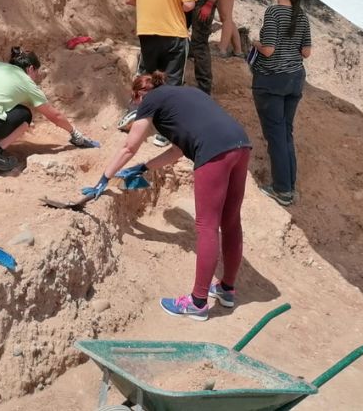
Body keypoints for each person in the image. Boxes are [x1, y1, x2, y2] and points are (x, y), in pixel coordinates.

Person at [81, 72, 252, 321]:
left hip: (213, 151)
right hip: (240, 143)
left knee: (207, 226)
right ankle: (226, 289)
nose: (138, 107)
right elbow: (178, 150)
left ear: (141, 94)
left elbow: (130, 146)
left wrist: (104, 178)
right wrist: (143, 168)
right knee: (231, 221)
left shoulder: (151, 100)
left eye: (136, 101)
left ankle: (198, 302)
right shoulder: (185, 93)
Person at [0, 47, 98, 172]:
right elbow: (54, 115)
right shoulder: (27, 82)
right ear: (30, 69)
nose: (36, 77)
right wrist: (74, 133)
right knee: (25, 114)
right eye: (36, 72)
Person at [123, 0, 197, 147]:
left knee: (146, 76)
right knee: (172, 82)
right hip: (173, 33)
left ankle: (134, 116)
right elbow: (188, 4)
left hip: (147, 32)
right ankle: (165, 131)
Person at [251, 0, 312, 206]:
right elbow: (306, 52)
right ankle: (289, 183)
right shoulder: (302, 15)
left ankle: (282, 190)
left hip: (271, 81)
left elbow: (268, 50)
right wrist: (290, 53)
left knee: (275, 135)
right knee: (286, 132)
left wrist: (254, 43)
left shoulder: (274, 12)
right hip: (295, 79)